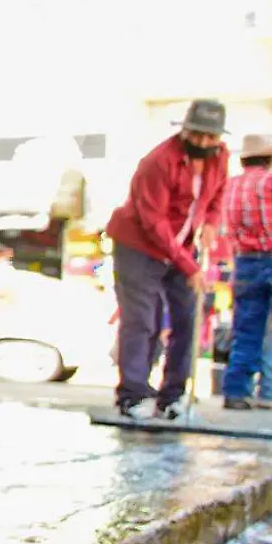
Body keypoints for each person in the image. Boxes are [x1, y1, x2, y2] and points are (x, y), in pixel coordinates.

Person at [105, 99, 230, 420]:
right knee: (142, 320)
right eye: (197, 134)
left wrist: (211, 226)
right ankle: (132, 395)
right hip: (140, 246)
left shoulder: (221, 158)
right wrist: (189, 266)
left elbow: (216, 196)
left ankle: (173, 394)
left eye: (210, 137)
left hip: (183, 245)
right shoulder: (159, 161)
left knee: (188, 319)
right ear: (185, 130)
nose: (203, 142)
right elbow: (153, 222)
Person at [219, 134, 272, 410]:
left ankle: (236, 392)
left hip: (244, 262)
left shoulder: (230, 186)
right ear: (270, 158)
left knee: (246, 330)